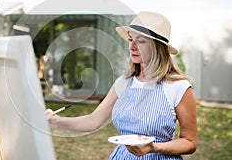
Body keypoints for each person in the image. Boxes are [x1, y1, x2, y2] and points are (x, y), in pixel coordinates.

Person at [46, 11, 197, 159]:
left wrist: (154, 148)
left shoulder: (178, 86)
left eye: (141, 41)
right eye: (131, 39)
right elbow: (93, 120)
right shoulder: (123, 83)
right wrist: (56, 121)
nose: (132, 47)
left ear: (158, 47)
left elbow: (190, 142)